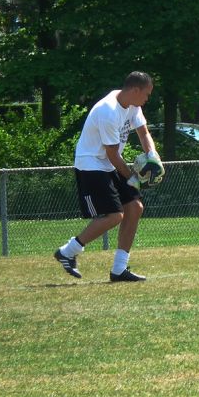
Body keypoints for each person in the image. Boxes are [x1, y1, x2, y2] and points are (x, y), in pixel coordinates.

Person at [54, 71, 164, 282]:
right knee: (114, 215)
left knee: (135, 207)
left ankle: (119, 269)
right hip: (91, 164)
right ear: (135, 90)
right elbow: (112, 154)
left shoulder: (133, 105)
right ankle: (67, 252)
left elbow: (143, 132)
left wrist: (153, 156)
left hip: (108, 163)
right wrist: (134, 179)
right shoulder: (108, 111)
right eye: (147, 94)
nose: (147, 98)